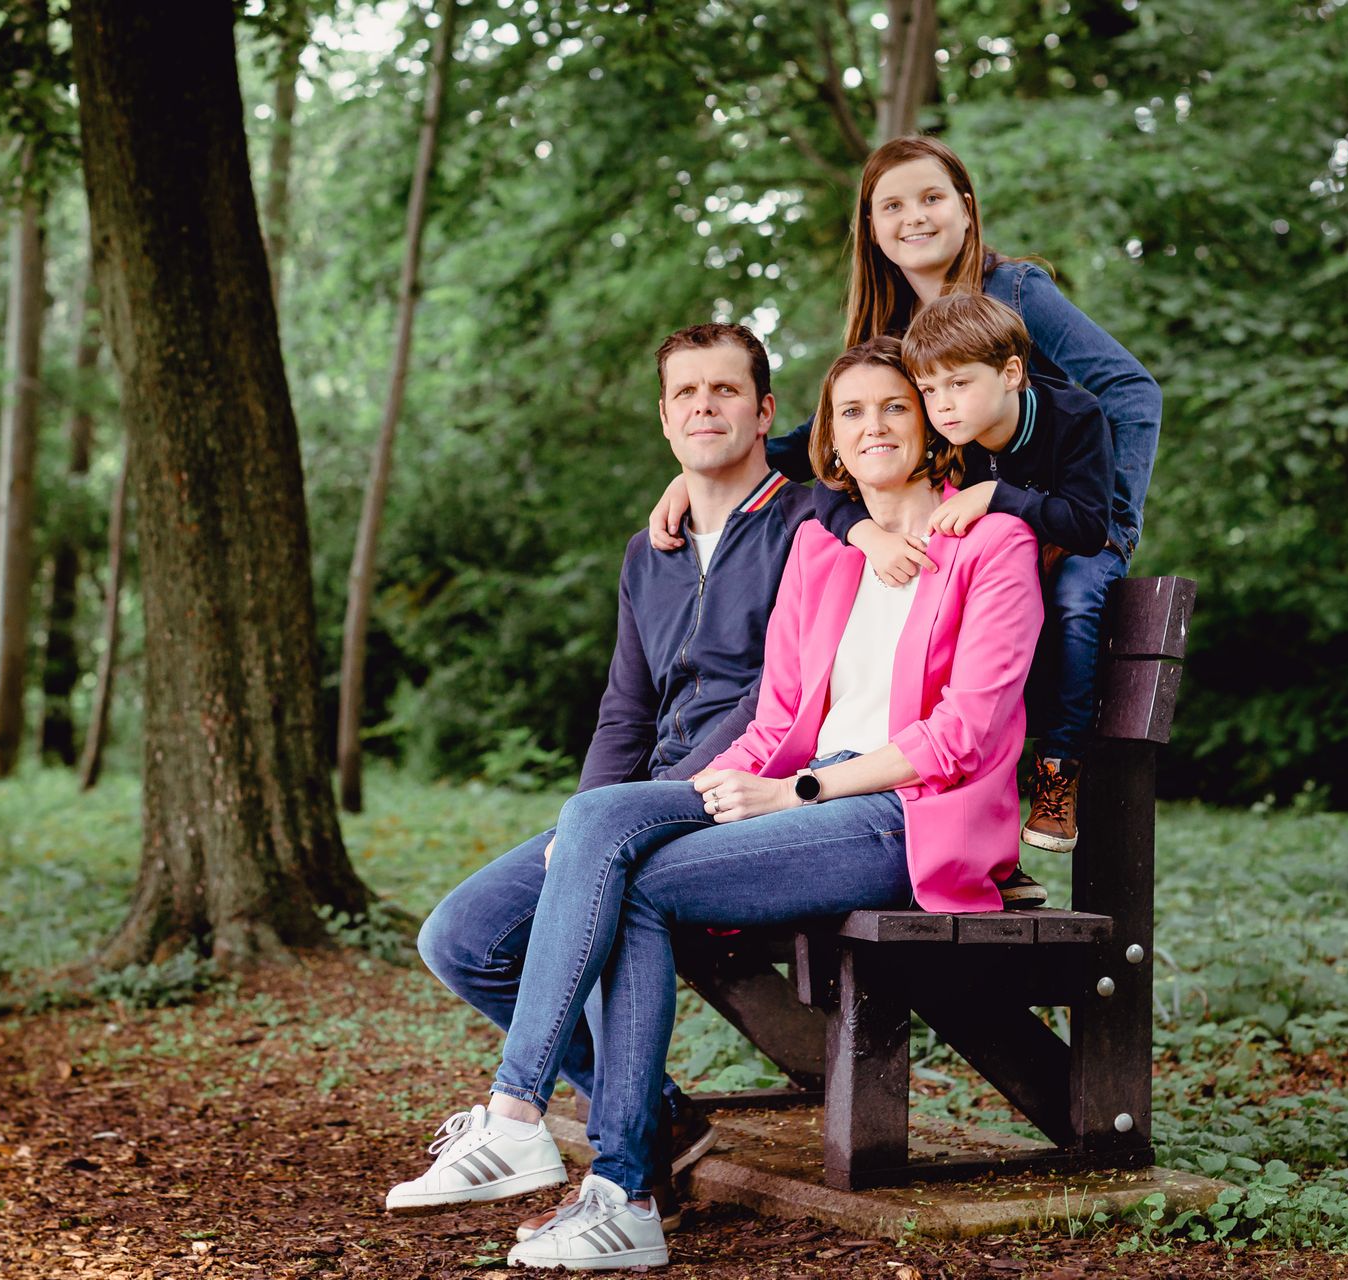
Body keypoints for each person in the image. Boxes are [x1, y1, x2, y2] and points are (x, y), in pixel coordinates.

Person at [387, 338, 1043, 1270]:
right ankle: (600, 1180)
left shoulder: (992, 545)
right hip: (802, 796)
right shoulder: (824, 556)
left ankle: (572, 1152)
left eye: (894, 407)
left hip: (907, 811)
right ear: (831, 439)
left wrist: (797, 789)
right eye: (851, 413)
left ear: (934, 424)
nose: (873, 427)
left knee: (629, 873)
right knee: (609, 837)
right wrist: (679, 801)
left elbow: (965, 735)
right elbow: (776, 718)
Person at [649, 135, 1161, 874]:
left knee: (1075, 599)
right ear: (870, 227)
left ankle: (1050, 781)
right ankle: (981, 843)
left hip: (1065, 517)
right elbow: (830, 439)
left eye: (931, 198)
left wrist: (1111, 521)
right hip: (979, 524)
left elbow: (1132, 391)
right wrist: (708, 469)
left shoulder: (1014, 292)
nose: (914, 217)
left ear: (966, 209)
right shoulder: (894, 328)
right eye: (892, 205)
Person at [401, 323, 809, 1233]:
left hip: (754, 793)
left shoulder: (810, 524)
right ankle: (661, 1119)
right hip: (639, 803)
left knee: (610, 885)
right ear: (665, 421)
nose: (706, 406)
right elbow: (625, 712)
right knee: (461, 936)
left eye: (726, 391)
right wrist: (582, 818)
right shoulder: (648, 553)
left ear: (766, 410)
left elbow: (790, 699)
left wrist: (614, 824)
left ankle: (557, 1136)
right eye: (686, 395)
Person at [899, 292, 1114, 854]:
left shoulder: (1074, 417)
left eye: (959, 383)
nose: (942, 405)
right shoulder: (950, 439)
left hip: (1075, 552)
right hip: (1006, 567)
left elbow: (1089, 526)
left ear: (1011, 372)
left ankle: (1056, 770)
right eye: (928, 390)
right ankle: (975, 819)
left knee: (1074, 602)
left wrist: (997, 494)